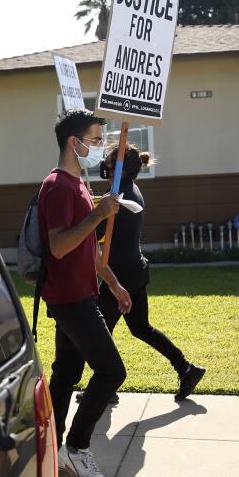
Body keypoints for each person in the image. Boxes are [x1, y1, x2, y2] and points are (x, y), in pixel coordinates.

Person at [39, 110, 130, 477]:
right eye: (94, 140)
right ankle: (76, 448)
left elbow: (88, 249)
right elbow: (59, 246)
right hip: (69, 299)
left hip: (81, 293)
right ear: (72, 143)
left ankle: (51, 450)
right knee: (112, 372)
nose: (99, 147)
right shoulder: (58, 186)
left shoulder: (77, 183)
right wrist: (98, 214)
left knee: (66, 376)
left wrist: (113, 283)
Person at [92, 143, 208, 401]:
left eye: (109, 162)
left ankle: (105, 385)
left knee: (100, 331)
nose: (105, 165)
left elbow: (96, 232)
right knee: (140, 328)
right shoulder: (128, 190)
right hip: (135, 267)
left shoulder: (118, 197)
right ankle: (187, 369)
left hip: (120, 274)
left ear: (118, 168)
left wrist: (90, 212)